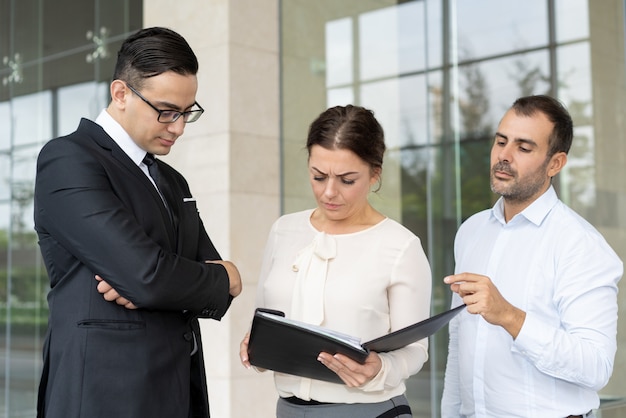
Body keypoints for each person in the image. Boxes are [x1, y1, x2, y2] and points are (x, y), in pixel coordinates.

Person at [34, 27, 242, 418]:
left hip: (179, 393)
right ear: (121, 93)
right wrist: (210, 276)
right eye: (166, 111)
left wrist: (225, 276)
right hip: (105, 397)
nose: (178, 127)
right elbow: (148, 276)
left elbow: (208, 280)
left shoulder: (172, 180)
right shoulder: (69, 160)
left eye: (187, 112)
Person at [239, 105, 432, 417]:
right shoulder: (284, 230)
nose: (329, 192)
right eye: (318, 176)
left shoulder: (401, 247)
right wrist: (257, 348)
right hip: (287, 410)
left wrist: (381, 367)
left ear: (375, 174)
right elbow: (266, 319)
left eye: (346, 179)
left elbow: (416, 351)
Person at [441, 95, 623, 418]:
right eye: (501, 142)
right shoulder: (470, 232)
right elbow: (460, 343)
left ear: (555, 163)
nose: (504, 157)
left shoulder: (579, 245)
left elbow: (596, 366)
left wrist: (510, 316)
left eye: (524, 148)